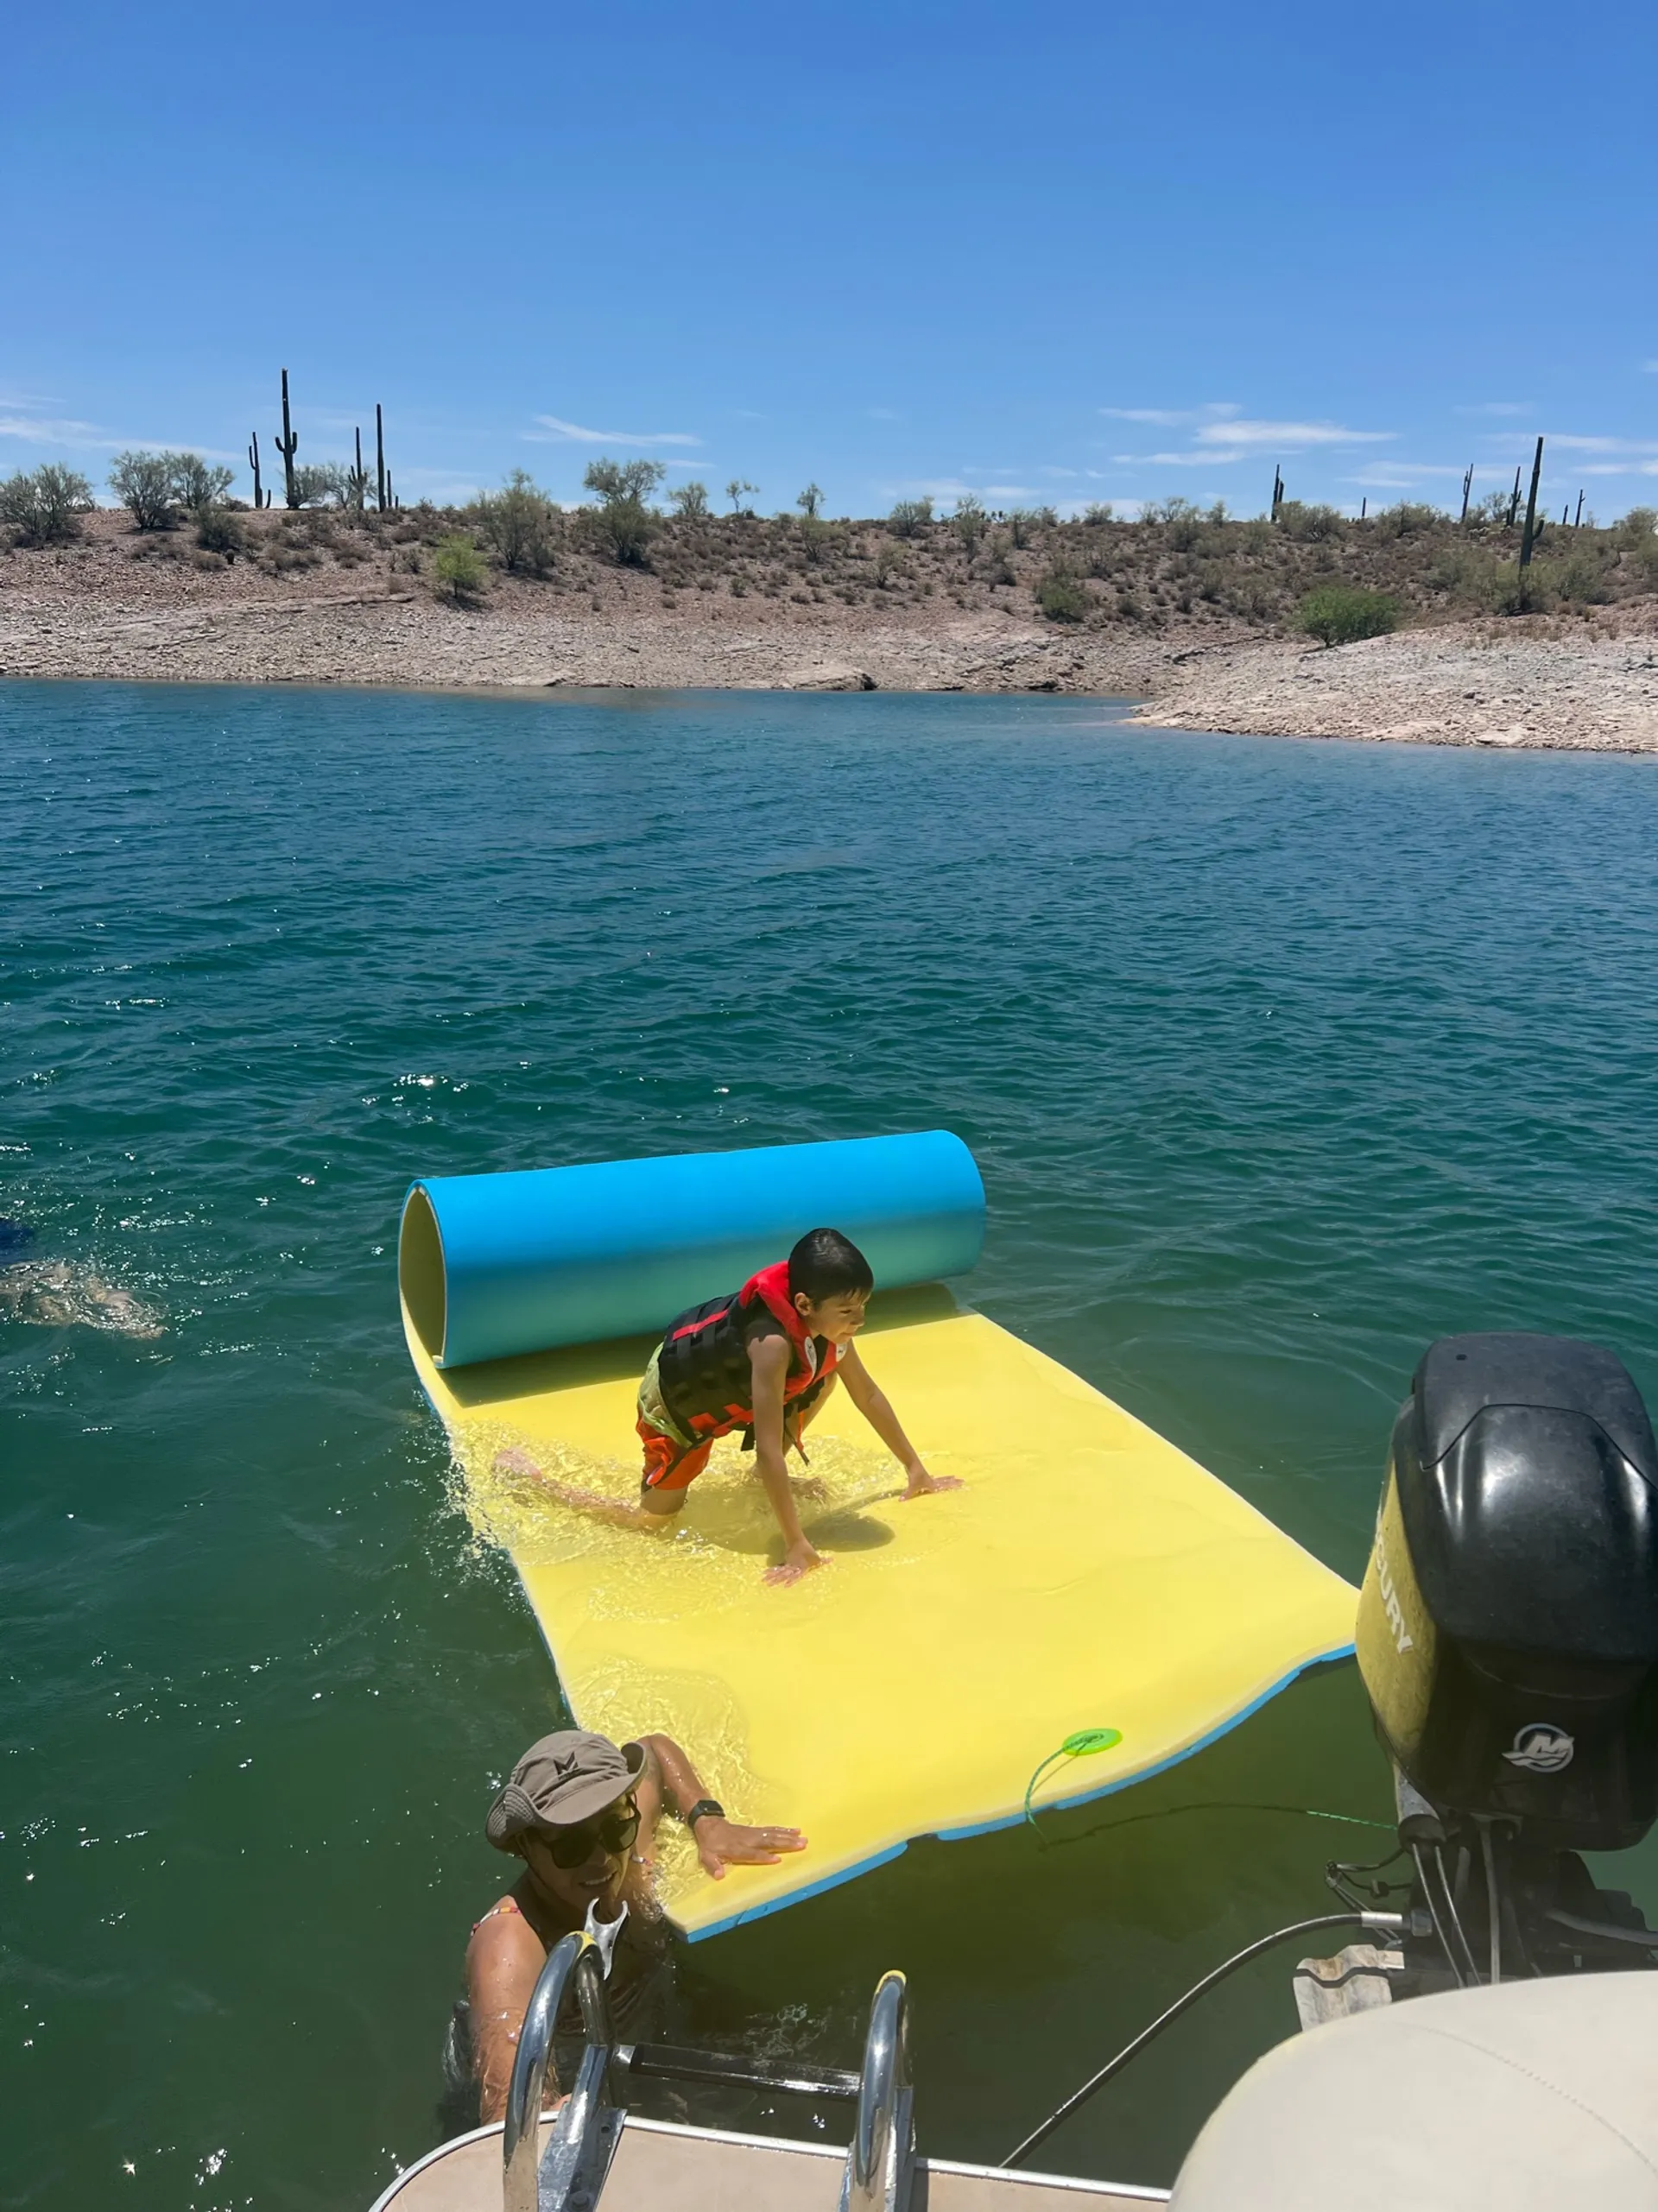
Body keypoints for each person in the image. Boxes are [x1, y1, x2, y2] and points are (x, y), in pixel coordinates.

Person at [500, 1226, 959, 1586]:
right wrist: (795, 1544)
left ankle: (768, 1485)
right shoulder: (773, 1345)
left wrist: (916, 1471)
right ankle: (536, 1482)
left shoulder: (830, 1333)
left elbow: (869, 1394)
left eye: (864, 1307)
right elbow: (768, 1451)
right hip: (679, 1402)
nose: (859, 1320)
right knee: (651, 1521)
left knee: (825, 1379)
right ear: (803, 1303)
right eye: (847, 1311)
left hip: (740, 1393)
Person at [462, 1727, 806, 2123]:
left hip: (654, 2025)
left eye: (615, 1829)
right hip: (583, 2067)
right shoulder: (511, 1948)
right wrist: (552, 2116)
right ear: (524, 1847)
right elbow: (507, 2118)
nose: (602, 1860)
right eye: (570, 1846)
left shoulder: (631, 1855)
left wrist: (707, 1820)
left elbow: (652, 1750)